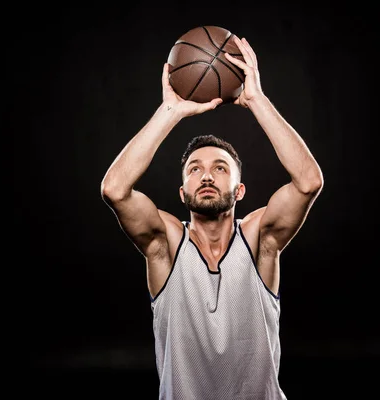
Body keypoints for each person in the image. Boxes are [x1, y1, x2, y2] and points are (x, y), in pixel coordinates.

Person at [100, 36, 323, 399]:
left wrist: (256, 100)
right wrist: (169, 111)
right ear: (182, 192)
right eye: (195, 169)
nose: (206, 176)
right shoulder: (166, 246)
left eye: (220, 168)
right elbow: (115, 190)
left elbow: (309, 182)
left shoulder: (260, 239)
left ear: (240, 191)